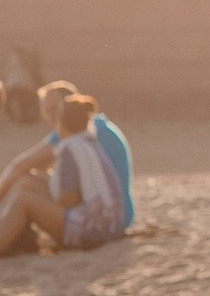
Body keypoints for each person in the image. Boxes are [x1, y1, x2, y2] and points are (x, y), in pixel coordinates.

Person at [0, 79, 136, 235]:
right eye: (46, 112)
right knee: (26, 183)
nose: (51, 117)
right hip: (118, 211)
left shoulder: (77, 132)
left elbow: (20, 165)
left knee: (24, 188)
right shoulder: (96, 125)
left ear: (68, 105)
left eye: (54, 109)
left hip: (106, 217)